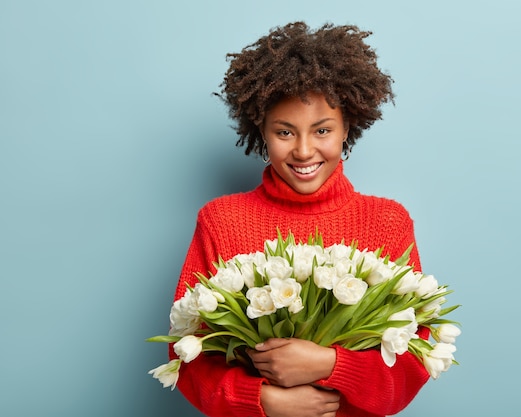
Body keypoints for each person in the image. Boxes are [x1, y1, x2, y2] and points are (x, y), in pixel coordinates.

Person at [170, 21, 430, 417]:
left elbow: (412, 362)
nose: (305, 151)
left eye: (322, 130)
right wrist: (262, 399)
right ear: (261, 130)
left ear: (348, 126)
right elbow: (185, 352)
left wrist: (331, 365)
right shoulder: (221, 221)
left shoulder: (387, 223)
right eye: (285, 132)